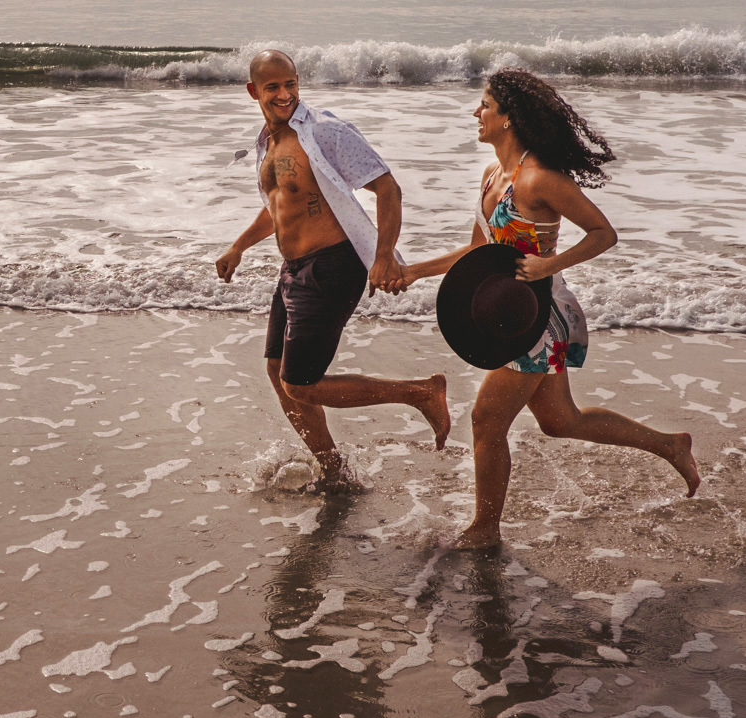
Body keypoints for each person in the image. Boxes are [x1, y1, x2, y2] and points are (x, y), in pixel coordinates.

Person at [400, 68, 700, 548]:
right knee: (561, 420)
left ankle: (484, 529)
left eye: (485, 106)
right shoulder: (492, 176)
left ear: (508, 119)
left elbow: (604, 234)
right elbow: (478, 251)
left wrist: (549, 265)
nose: (475, 113)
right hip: (519, 317)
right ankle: (669, 444)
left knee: (485, 420)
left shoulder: (541, 179)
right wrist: (416, 270)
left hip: (539, 321)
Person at [216, 49, 450, 492]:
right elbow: (279, 209)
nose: (284, 94)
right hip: (294, 269)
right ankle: (334, 470)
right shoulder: (268, 143)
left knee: (300, 385)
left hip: (331, 266)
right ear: (253, 92)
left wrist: (383, 257)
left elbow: (388, 188)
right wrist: (238, 246)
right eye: (273, 87)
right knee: (277, 372)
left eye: (290, 84)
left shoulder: (324, 131)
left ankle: (421, 393)